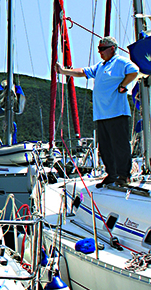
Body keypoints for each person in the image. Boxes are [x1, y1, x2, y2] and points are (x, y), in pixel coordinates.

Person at [56, 35, 138, 186]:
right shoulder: (100, 66)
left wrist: (123, 85)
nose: (99, 52)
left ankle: (123, 175)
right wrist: (63, 72)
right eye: (98, 49)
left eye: (102, 49)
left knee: (120, 145)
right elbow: (83, 72)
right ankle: (112, 174)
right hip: (102, 114)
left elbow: (134, 71)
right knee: (105, 147)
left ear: (112, 49)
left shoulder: (120, 62)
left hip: (117, 112)